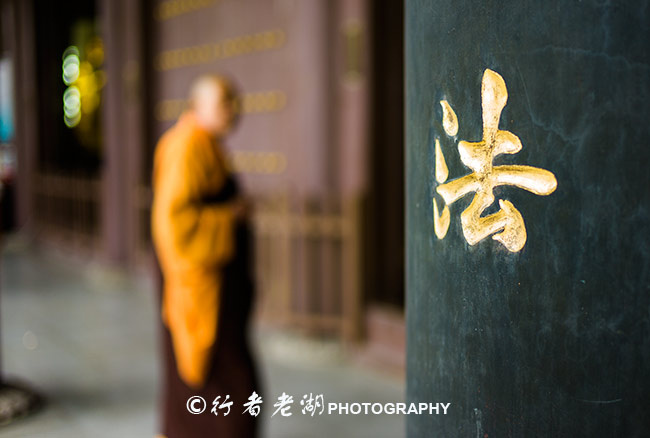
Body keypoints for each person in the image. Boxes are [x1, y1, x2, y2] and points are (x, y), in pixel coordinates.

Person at [151, 74, 260, 438]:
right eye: (224, 102)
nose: (233, 109)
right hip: (200, 284)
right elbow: (175, 223)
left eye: (234, 100)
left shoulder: (208, 143)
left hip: (221, 284)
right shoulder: (185, 145)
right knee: (225, 384)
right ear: (197, 107)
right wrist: (230, 216)